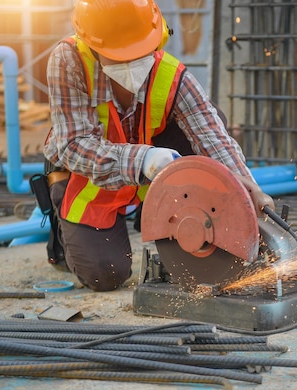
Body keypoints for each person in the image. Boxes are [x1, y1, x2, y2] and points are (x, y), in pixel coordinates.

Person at [43, 0, 274, 292]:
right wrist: (143, 160)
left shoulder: (169, 71)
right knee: (105, 274)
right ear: (92, 46)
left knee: (215, 118)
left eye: (140, 53)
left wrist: (246, 191)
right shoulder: (68, 60)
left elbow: (212, 135)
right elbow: (73, 145)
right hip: (88, 176)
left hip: (153, 172)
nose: (131, 64)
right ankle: (63, 220)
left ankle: (161, 217)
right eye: (119, 56)